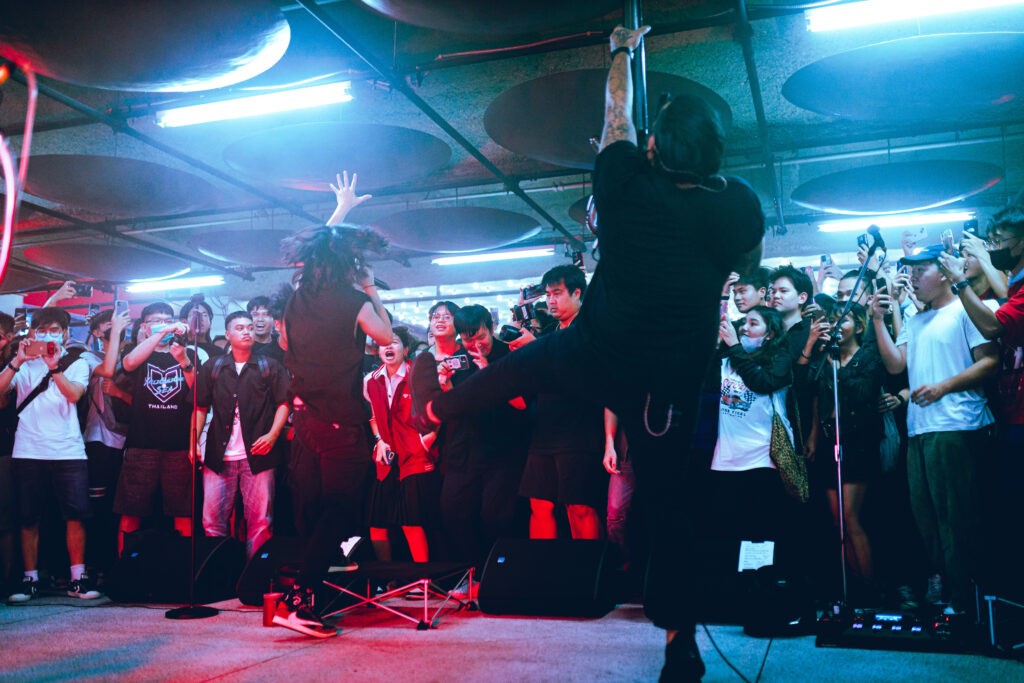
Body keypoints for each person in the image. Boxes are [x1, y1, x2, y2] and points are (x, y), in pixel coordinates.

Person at [408, 25, 765, 680]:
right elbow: (749, 259)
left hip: (600, 348)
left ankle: (439, 409)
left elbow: (616, 118)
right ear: (714, 153)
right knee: (670, 505)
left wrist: (622, 51)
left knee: (517, 366)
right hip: (669, 377)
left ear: (653, 147)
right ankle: (679, 641)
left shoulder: (626, 183)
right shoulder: (738, 203)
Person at [273, 171, 394, 638]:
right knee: (339, 511)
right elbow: (385, 336)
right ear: (349, 265)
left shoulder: (299, 297)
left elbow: (316, 251)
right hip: (342, 423)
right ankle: (301, 601)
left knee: (316, 510)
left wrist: (341, 210)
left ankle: (312, 590)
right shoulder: (351, 300)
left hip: (306, 423)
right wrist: (371, 289)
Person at [874, 244, 1000, 615]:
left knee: (957, 518)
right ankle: (949, 593)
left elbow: (990, 362)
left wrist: (943, 387)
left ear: (944, 273)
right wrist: (880, 319)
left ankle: (967, 603)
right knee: (926, 518)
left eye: (921, 270)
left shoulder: (968, 309)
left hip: (957, 425)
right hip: (920, 429)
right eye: (910, 271)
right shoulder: (915, 319)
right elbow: (896, 365)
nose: (912, 278)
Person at [0, 308, 99, 602]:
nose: (47, 334)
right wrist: (17, 361)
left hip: (68, 449)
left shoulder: (77, 362)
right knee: (28, 517)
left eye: (54, 329)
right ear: (32, 333)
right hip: (28, 449)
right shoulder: (22, 363)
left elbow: (74, 395)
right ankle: (29, 579)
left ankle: (77, 578)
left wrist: (54, 367)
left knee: (76, 515)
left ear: (65, 334)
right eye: (41, 330)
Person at [517, 265, 606, 540]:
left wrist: (535, 347)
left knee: (579, 506)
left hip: (579, 430)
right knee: (539, 504)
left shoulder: (590, 329)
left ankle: (588, 564)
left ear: (577, 293)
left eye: (557, 293)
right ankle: (544, 562)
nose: (551, 301)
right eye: (548, 295)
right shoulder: (550, 330)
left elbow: (580, 373)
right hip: (544, 428)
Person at [806, 303, 888, 597]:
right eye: (832, 320)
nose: (837, 325)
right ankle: (850, 589)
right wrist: (813, 437)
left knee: (851, 517)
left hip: (858, 441)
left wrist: (837, 370)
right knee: (837, 521)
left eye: (844, 320)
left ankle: (870, 589)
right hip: (829, 439)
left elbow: (864, 392)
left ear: (859, 326)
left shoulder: (868, 356)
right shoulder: (825, 357)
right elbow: (816, 399)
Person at [195, 311, 291, 559]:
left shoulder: (268, 366)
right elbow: (199, 407)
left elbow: (285, 403)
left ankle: (254, 575)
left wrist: (272, 435)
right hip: (218, 455)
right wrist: (193, 442)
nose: (246, 331)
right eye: (239, 328)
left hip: (258, 455)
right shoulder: (214, 366)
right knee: (212, 521)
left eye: (249, 327)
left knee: (261, 523)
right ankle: (218, 573)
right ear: (228, 334)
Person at [111, 302, 205, 555]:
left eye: (167, 320)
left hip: (179, 444)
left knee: (183, 512)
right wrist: (159, 334)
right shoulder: (139, 352)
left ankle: (183, 567)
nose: (164, 324)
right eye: (157, 321)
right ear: (145, 326)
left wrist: (184, 359)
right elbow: (129, 363)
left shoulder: (187, 353)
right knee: (131, 510)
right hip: (142, 443)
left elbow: (199, 391)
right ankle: (124, 565)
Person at [710, 306, 794, 574]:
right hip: (726, 458)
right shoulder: (726, 359)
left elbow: (761, 382)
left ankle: (761, 585)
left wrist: (735, 347)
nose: (745, 328)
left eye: (753, 323)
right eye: (744, 322)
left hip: (762, 458)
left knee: (760, 530)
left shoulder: (779, 360)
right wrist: (718, 345)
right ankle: (734, 587)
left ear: (770, 334)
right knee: (728, 529)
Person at [364, 327, 440, 563]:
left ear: (406, 349)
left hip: (414, 458)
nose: (388, 346)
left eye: (394, 342)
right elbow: (373, 416)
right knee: (377, 524)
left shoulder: (417, 376)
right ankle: (387, 576)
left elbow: (436, 411)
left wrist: (425, 441)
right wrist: (379, 440)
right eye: (384, 343)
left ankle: (423, 578)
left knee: (412, 523)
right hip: (386, 461)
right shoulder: (370, 380)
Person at [247, 296, 285, 362]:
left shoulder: (281, 344)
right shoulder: (243, 346)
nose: (260, 319)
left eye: (266, 314)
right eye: (255, 314)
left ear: (274, 319)